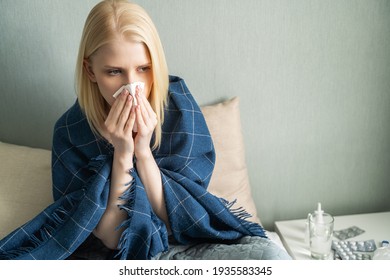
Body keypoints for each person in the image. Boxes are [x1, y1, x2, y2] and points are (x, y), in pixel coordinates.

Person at [0, 0, 291, 260]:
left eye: (143, 68)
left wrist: (143, 150)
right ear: (90, 71)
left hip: (183, 244)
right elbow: (114, 238)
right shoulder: (70, 130)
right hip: (119, 256)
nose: (132, 85)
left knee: (269, 256)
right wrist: (123, 154)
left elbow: (177, 219)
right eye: (114, 72)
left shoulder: (178, 106)